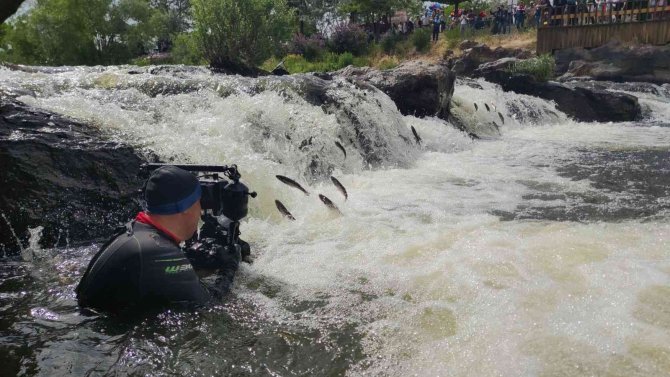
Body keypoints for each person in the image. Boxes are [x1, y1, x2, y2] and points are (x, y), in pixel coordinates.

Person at [76, 165, 241, 315]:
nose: (200, 212)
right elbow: (209, 303)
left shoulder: (136, 232)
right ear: (186, 209)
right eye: (199, 203)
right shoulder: (159, 252)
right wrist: (229, 267)